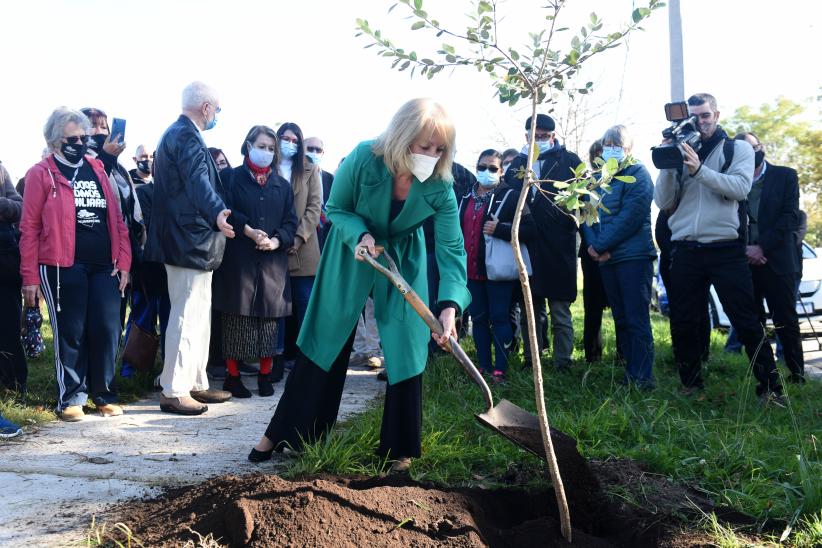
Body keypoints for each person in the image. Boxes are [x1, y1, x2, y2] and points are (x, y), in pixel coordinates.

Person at [249, 98, 470, 472]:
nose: (431, 155)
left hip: (402, 256)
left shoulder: (441, 185)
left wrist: (449, 307)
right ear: (402, 139)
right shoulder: (365, 157)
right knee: (326, 334)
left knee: (406, 342)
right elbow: (335, 208)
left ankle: (400, 449)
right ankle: (287, 432)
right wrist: (362, 236)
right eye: (424, 146)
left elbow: (452, 249)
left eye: (439, 149)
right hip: (352, 248)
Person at [654, 93, 783, 405]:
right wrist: (671, 162)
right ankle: (690, 384)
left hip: (725, 249)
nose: (700, 121)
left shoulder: (736, 148)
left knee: (746, 320)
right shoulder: (681, 147)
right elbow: (663, 201)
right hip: (685, 248)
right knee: (684, 321)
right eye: (693, 116)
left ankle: (771, 388)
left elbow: (740, 187)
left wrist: (699, 170)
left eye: (705, 115)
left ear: (717, 115)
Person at [19, 107, 131, 421]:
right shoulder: (40, 173)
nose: (80, 142)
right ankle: (71, 397)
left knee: (108, 330)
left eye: (83, 137)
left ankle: (103, 394)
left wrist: (124, 261)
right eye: (72, 138)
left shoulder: (96, 168)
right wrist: (29, 276)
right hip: (60, 266)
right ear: (55, 142)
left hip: (104, 266)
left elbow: (117, 220)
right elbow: (29, 228)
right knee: (72, 333)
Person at [144, 81, 235, 415]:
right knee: (185, 315)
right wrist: (217, 213)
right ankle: (174, 389)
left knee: (198, 314)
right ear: (207, 108)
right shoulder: (185, 135)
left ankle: (195, 381)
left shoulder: (178, 134)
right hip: (188, 241)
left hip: (190, 241)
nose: (218, 116)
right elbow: (198, 182)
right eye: (218, 109)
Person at [214, 126, 298, 398]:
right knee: (236, 319)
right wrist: (247, 230)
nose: (267, 152)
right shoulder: (230, 177)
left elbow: (290, 221)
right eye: (262, 146)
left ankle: (265, 375)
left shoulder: (281, 185)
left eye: (271, 148)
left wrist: (276, 241)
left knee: (268, 320)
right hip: (239, 257)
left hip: (272, 260)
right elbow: (224, 210)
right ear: (248, 145)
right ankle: (233, 376)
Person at [582, 126, 657, 388]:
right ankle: (629, 373)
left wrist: (602, 245)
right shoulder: (598, 179)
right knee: (621, 318)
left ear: (628, 149)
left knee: (637, 319)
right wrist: (594, 247)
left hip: (633, 257)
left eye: (617, 144)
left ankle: (643, 378)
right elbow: (587, 216)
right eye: (607, 143)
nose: (610, 148)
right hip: (606, 258)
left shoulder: (638, 173)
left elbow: (631, 217)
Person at [504, 114, 581, 370]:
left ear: (553, 136)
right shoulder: (520, 162)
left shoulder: (568, 161)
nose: (539, 140)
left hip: (560, 248)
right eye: (534, 136)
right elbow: (509, 187)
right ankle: (531, 359)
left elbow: (582, 199)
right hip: (530, 246)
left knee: (560, 311)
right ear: (526, 136)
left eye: (544, 136)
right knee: (530, 310)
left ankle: (563, 362)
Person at [733, 132, 804, 383]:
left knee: (785, 318)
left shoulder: (785, 176)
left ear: (761, 147)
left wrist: (761, 247)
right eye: (745, 149)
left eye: (755, 147)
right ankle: (765, 373)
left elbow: (790, 217)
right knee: (753, 321)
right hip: (744, 262)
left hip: (777, 261)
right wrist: (746, 249)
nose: (752, 153)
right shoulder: (732, 181)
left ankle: (797, 373)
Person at [459, 149, 533, 382]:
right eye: (482, 167)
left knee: (500, 318)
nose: (486, 172)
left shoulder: (511, 196)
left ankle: (501, 368)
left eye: (492, 168)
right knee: (479, 319)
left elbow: (531, 230)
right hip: (471, 270)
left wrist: (501, 229)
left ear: (501, 172)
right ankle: (483, 366)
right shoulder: (464, 198)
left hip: (498, 271)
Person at [276, 123, 322, 379]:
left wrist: (298, 237)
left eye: (294, 140)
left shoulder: (309, 169)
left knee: (305, 307)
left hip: (304, 250)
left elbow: (315, 207)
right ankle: (277, 361)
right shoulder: (269, 166)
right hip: (274, 249)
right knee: (277, 309)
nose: (289, 143)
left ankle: (307, 363)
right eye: (285, 138)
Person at [579, 140, 611, 363]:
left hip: (615, 252)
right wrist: (593, 247)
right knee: (592, 306)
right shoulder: (586, 185)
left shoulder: (621, 181)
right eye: (596, 154)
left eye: (604, 153)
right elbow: (584, 218)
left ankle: (623, 355)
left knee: (620, 306)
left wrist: (607, 246)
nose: (599, 157)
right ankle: (592, 354)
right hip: (590, 253)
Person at [0, 161, 27, 393]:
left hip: (5, 263)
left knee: (8, 327)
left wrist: (2, 205)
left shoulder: (1, 170)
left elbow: (19, 206)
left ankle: (14, 386)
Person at [305, 136, 334, 250]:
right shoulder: (296, 178)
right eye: (310, 149)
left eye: (318, 150)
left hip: (326, 236)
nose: (314, 152)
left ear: (323, 153)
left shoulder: (331, 178)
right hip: (304, 233)